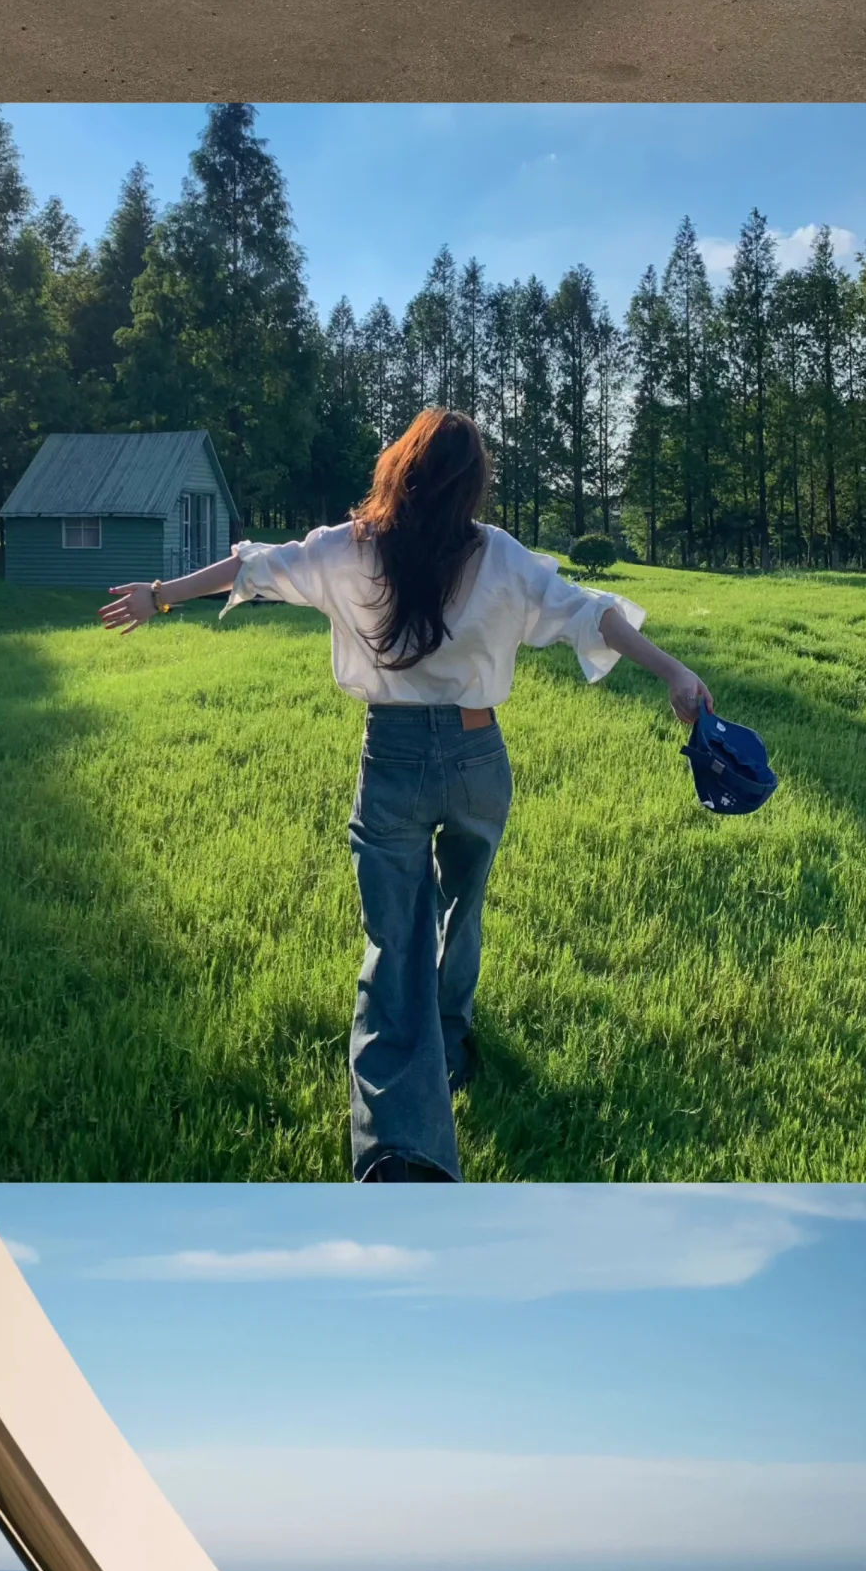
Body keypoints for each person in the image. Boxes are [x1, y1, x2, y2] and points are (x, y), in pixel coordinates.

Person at [99, 409, 714, 1181]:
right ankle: (449, 1043)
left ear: (399, 470)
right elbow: (591, 613)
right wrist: (674, 672)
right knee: (462, 906)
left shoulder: (353, 547)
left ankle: (400, 1144)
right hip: (477, 757)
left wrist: (159, 594)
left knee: (397, 942)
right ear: (474, 485)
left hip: (392, 758)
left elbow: (252, 567)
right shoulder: (500, 555)